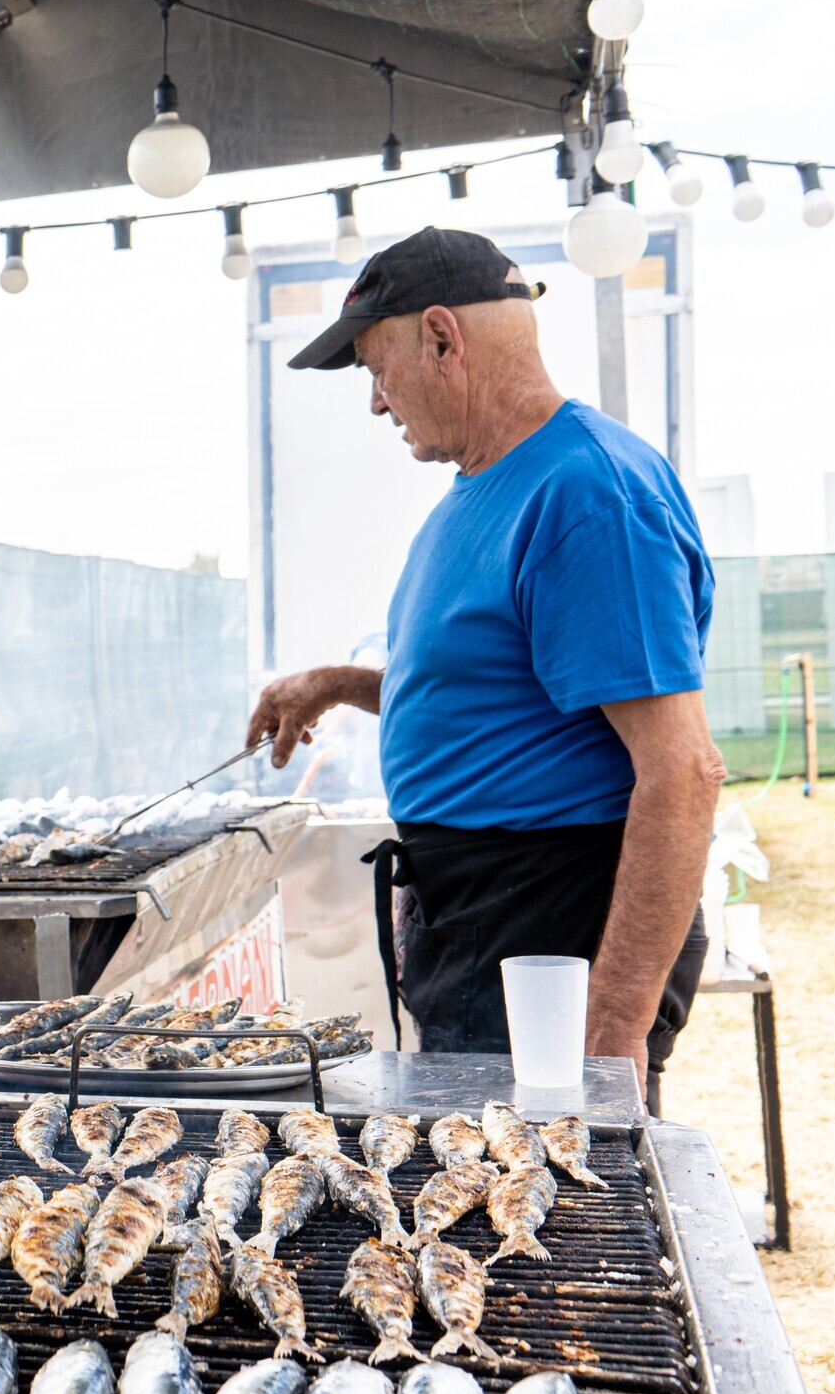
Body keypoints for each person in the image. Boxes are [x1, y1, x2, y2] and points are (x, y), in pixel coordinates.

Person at [246, 227, 721, 1108]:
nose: (379, 404)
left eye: (376, 367)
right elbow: (504, 703)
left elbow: (684, 774)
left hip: (552, 923)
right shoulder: (481, 487)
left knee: (547, 1211)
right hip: (477, 918)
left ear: (440, 337)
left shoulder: (587, 493)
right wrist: (343, 685)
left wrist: (609, 1039)